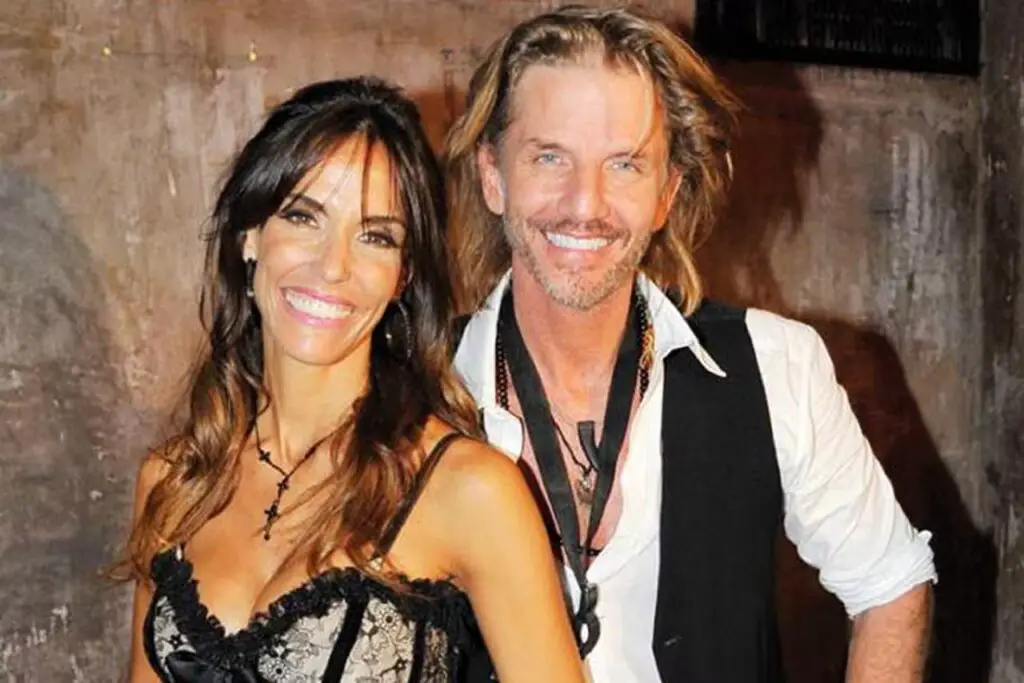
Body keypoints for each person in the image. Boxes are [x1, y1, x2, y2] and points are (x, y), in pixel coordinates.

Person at [443, 6, 936, 682]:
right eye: (550, 157)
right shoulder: (412, 387)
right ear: (493, 175)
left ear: (666, 192)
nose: (585, 203)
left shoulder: (777, 364)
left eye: (624, 164)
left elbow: (892, 583)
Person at [115, 76, 585, 683]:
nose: (333, 266)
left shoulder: (470, 490)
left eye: (375, 236)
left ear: (402, 274)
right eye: (303, 217)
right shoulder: (175, 481)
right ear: (250, 234)